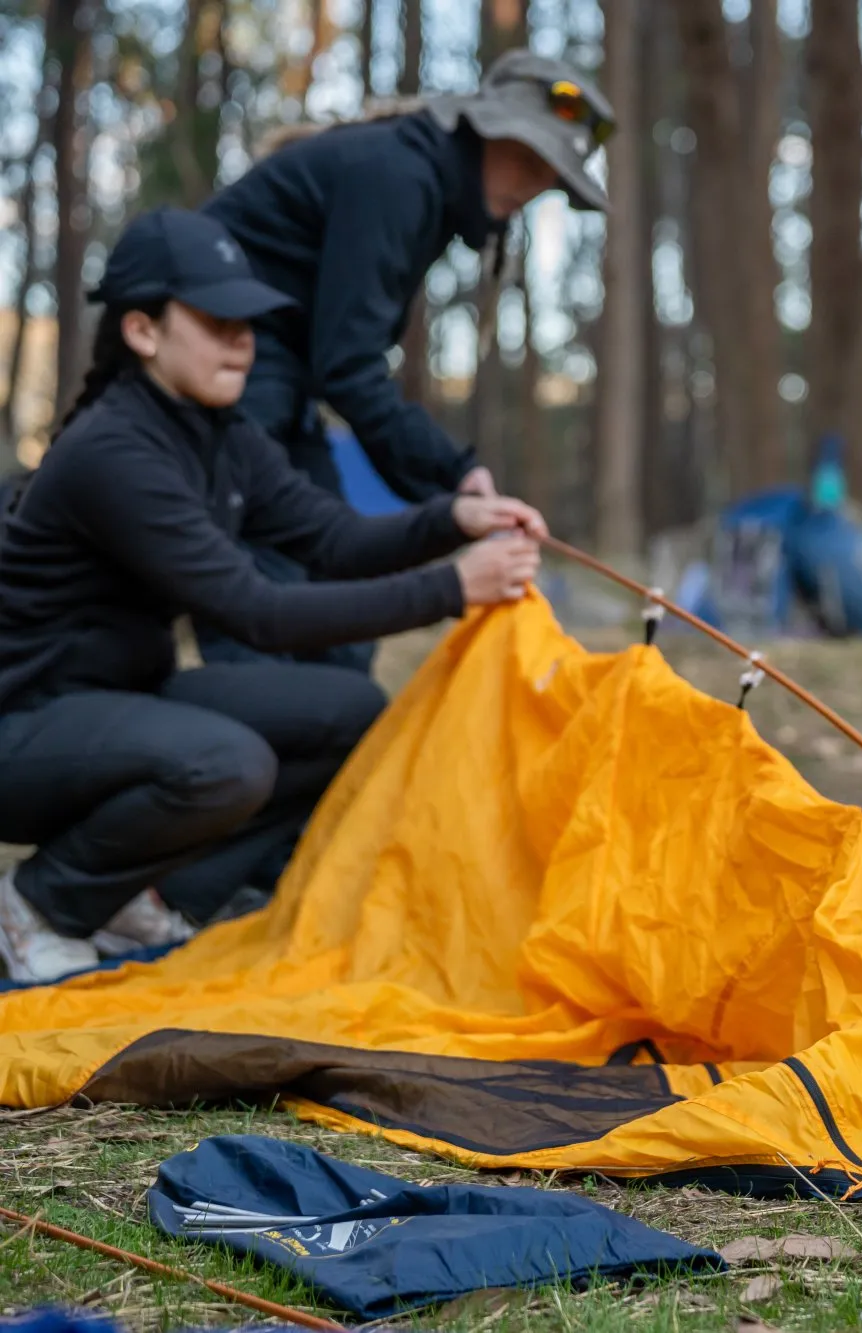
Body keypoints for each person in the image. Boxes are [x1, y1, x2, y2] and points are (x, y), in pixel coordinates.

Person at [0, 207, 547, 983]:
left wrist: (451, 518)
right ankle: (36, 902)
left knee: (349, 714)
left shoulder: (221, 434)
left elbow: (333, 539)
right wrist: (455, 586)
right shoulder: (114, 452)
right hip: (21, 727)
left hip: (121, 701)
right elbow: (256, 609)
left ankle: (137, 893)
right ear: (142, 331)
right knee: (228, 763)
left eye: (249, 320)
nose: (244, 340)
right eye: (218, 320)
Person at [198, 50, 613, 669]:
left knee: (338, 612)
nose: (534, 186)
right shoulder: (398, 176)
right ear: (482, 131)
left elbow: (333, 355)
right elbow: (347, 363)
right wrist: (455, 473)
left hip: (281, 377)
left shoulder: (418, 179)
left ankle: (325, 738)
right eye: (528, 157)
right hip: (219, 366)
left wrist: (457, 494)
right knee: (266, 598)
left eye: (550, 174)